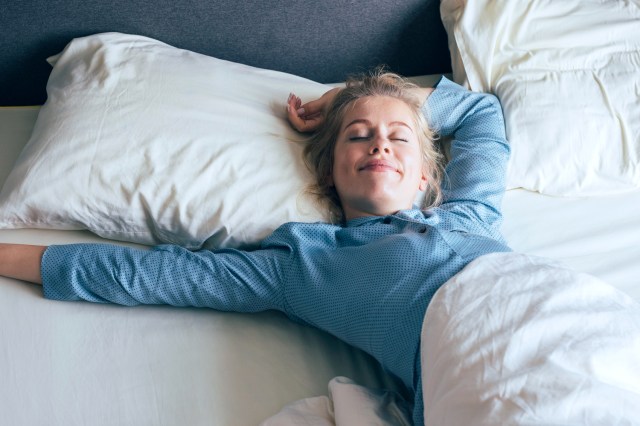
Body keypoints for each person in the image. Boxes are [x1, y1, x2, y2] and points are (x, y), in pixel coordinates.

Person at [0, 69, 510, 425]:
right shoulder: (307, 265)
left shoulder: (471, 213)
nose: (379, 144)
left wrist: (341, 99)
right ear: (329, 172)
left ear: (424, 174)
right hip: (486, 374)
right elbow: (154, 274)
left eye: (398, 138)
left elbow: (481, 115)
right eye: (358, 136)